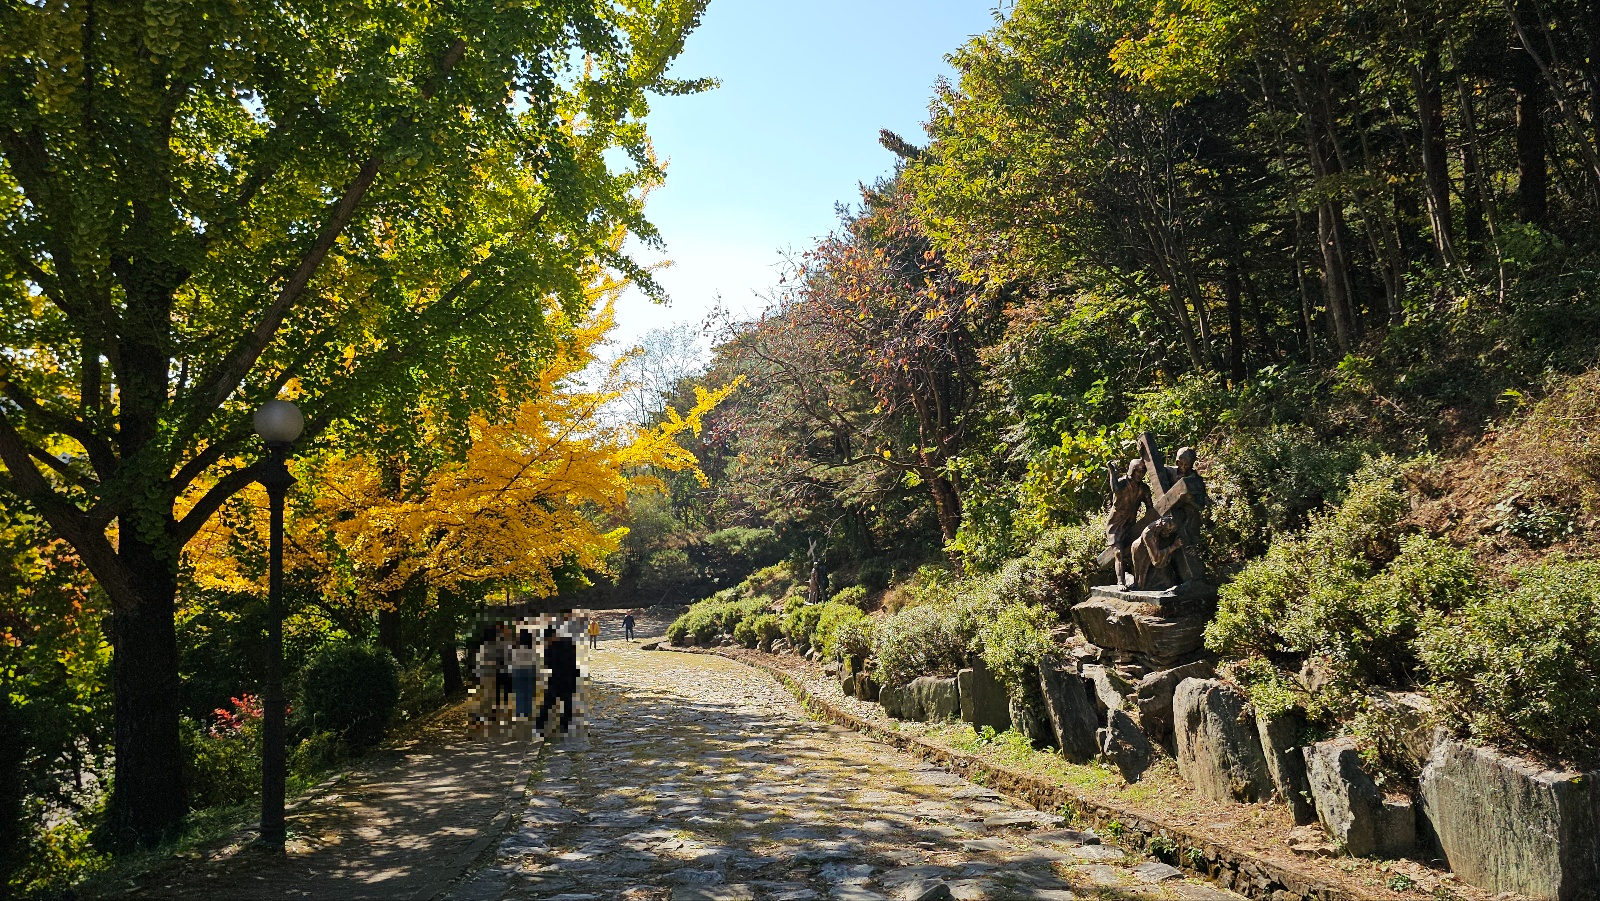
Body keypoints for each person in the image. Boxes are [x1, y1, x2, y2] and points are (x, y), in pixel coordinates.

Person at [537, 624, 581, 737]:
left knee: (550, 702)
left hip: (558, 677)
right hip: (566, 677)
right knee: (564, 702)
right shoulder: (568, 642)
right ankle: (563, 726)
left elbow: (546, 664)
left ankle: (541, 726)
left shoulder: (550, 647)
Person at [510, 626, 537, 725]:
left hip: (518, 670)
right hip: (529, 670)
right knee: (529, 691)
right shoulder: (531, 649)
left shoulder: (516, 648)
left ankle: (519, 712)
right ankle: (528, 712)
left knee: (519, 692)